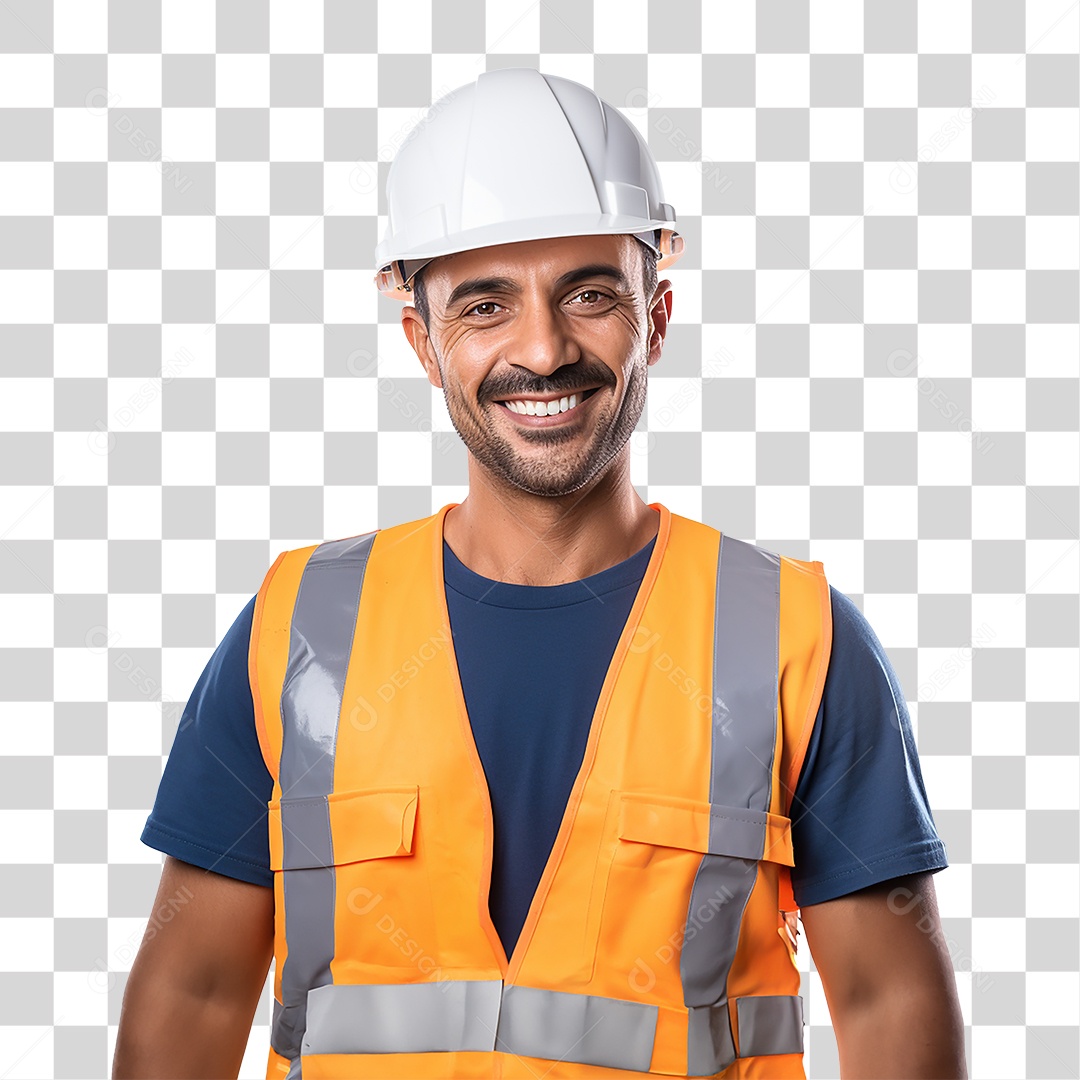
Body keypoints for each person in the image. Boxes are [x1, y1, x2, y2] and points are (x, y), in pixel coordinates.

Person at [113, 68, 966, 1079]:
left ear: (656, 317)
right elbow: (193, 992)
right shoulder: (300, 630)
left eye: (590, 294)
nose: (543, 349)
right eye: (485, 305)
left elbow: (885, 1002)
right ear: (423, 342)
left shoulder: (793, 638)